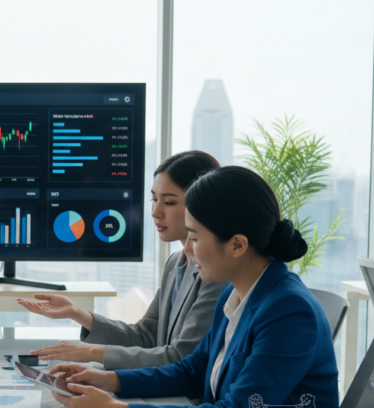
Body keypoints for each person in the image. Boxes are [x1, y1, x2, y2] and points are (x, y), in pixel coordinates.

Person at [48, 166, 366, 408]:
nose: (186, 249)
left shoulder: (287, 311)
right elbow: (191, 370)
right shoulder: (238, 292)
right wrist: (109, 380)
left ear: (237, 244)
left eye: (195, 237)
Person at [17, 151, 224, 369]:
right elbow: (146, 336)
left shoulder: (216, 273)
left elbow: (180, 357)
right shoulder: (175, 263)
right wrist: (77, 314)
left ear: (202, 204)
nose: (155, 212)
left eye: (169, 202)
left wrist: (91, 352)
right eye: (154, 199)